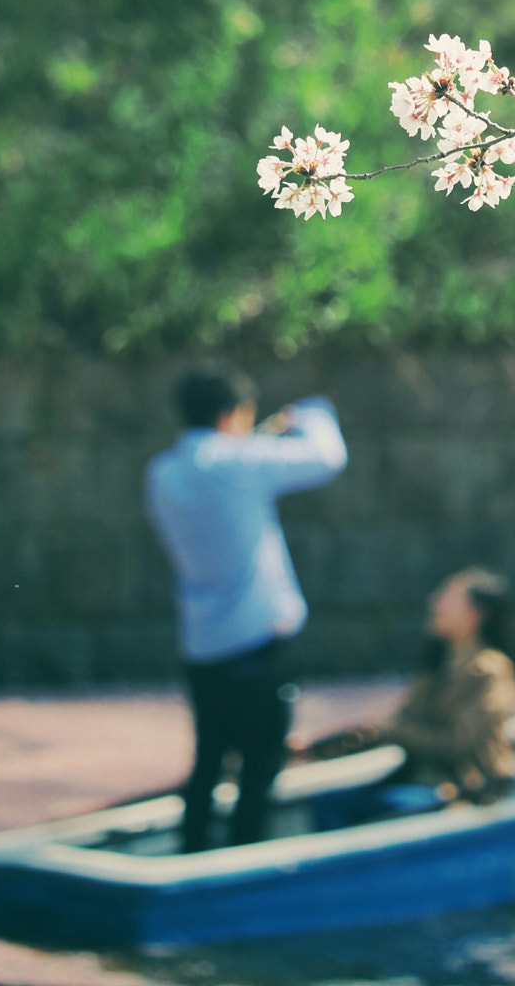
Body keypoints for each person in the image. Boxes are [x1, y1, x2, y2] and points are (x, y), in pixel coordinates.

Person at [145, 364, 346, 852]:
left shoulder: (162, 474)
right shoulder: (239, 463)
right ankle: (242, 857)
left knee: (209, 759)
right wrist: (311, 415)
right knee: (259, 766)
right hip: (257, 641)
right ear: (233, 414)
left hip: (202, 641)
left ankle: (190, 851)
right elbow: (326, 457)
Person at [305, 568, 515, 811]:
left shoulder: (490, 669)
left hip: (462, 788)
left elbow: (459, 744)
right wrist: (317, 748)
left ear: (475, 614)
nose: (434, 603)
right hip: (423, 781)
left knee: (338, 808)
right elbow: (390, 726)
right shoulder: (438, 666)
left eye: (447, 597)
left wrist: (398, 731)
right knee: (329, 802)